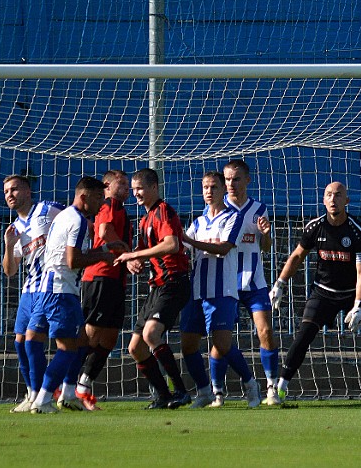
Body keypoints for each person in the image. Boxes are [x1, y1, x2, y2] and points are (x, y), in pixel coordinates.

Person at [269, 182, 361, 403]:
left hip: (354, 293)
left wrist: (358, 305)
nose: (333, 199)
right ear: (323, 200)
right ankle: (280, 388)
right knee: (304, 334)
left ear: (346, 201)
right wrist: (280, 283)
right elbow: (297, 256)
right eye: (328, 195)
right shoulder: (314, 227)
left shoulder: (357, 231)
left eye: (338, 195)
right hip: (323, 292)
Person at [27, 176, 128, 414]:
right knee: (68, 348)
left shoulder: (63, 217)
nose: (100, 205)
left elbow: (71, 254)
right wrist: (104, 257)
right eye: (97, 199)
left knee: (60, 339)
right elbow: (73, 261)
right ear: (84, 196)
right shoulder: (79, 221)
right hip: (62, 290)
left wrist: (103, 249)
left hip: (46, 287)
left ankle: (69, 393)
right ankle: (42, 399)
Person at [180, 171, 262, 408]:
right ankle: (205, 391)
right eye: (205, 187)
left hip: (222, 290)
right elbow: (184, 248)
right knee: (188, 344)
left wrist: (193, 243)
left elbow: (223, 248)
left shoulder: (232, 218)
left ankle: (250, 385)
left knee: (223, 345)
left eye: (214, 187)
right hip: (197, 290)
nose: (209, 191)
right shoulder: (198, 222)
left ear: (223, 190)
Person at [116, 168, 193, 409]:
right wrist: (132, 261)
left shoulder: (164, 211)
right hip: (157, 286)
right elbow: (143, 250)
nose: (135, 193)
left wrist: (136, 253)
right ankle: (163, 395)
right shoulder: (145, 219)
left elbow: (171, 244)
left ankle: (181, 391)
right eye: (133, 189)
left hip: (174, 282)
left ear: (154, 188)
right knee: (135, 348)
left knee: (151, 335)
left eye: (140, 188)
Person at [1, 175, 65, 413]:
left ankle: (42, 395)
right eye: (6, 191)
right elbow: (9, 271)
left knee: (32, 340)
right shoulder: (14, 229)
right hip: (29, 289)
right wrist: (8, 245)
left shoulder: (48, 209)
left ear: (28, 191)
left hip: (49, 286)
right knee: (19, 343)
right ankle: (31, 394)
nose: (10, 194)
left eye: (15, 189)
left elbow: (77, 221)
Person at [222, 159, 281, 405]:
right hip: (225, 283)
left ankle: (271, 388)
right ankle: (224, 389)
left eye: (236, 179)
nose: (231, 184)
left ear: (247, 180)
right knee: (221, 339)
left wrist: (266, 234)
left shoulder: (259, 209)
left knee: (265, 331)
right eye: (227, 179)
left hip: (255, 282)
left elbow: (265, 248)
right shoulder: (217, 208)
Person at [76, 170, 133, 410]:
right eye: (123, 184)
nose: (128, 189)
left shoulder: (118, 207)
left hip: (115, 279)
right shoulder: (109, 204)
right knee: (91, 333)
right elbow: (104, 232)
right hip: (100, 276)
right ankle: (61, 381)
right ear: (108, 186)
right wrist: (127, 256)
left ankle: (83, 385)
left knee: (109, 337)